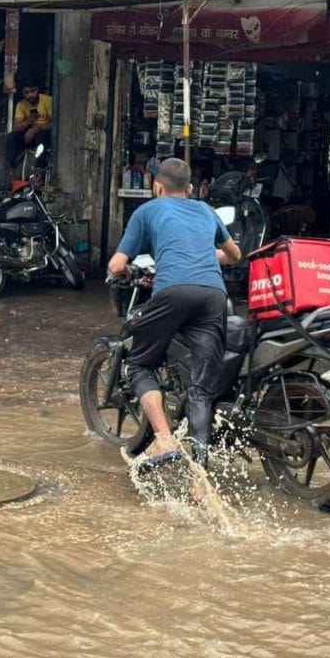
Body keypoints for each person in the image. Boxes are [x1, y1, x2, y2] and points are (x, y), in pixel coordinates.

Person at [107, 158, 242, 466]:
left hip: (173, 292)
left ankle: (165, 440)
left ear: (157, 187)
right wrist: (204, 254)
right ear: (190, 189)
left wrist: (125, 273)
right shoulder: (206, 211)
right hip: (213, 295)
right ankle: (200, 477)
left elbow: (116, 265)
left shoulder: (147, 211)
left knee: (139, 365)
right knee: (201, 390)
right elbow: (234, 255)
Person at [7, 78, 53, 170]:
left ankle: (38, 171)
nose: (30, 95)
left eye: (33, 91)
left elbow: (54, 123)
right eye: (26, 92)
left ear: (37, 89)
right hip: (30, 134)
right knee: (12, 137)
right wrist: (28, 121)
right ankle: (10, 169)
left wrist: (36, 129)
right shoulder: (21, 105)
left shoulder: (47, 100)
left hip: (45, 133)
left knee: (40, 138)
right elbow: (17, 127)